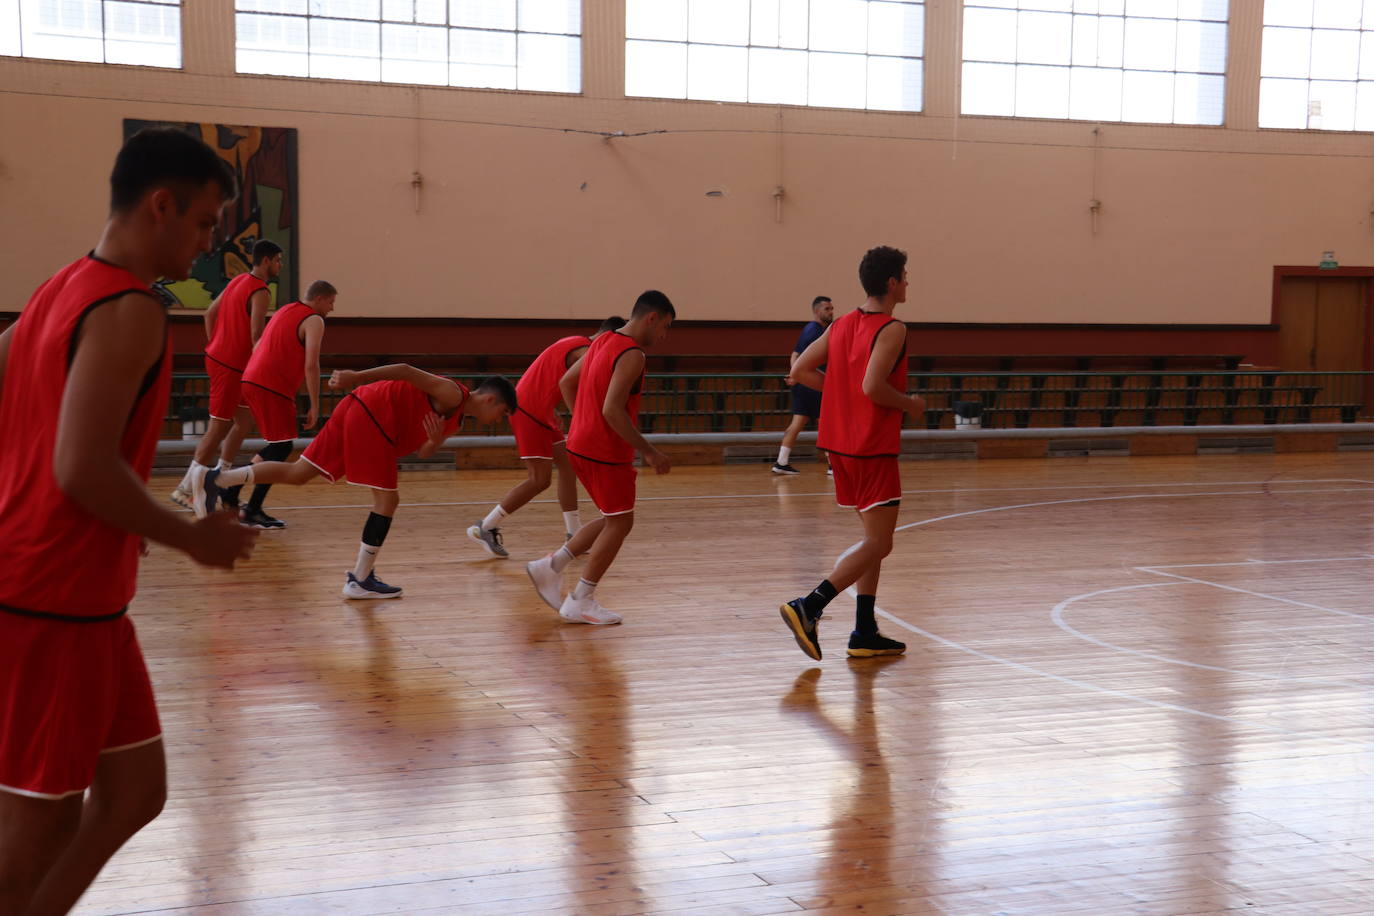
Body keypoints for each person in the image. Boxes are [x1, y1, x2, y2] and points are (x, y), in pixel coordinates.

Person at [0, 126, 258, 916]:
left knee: (136, 791)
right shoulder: (130, 309)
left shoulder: (59, 288)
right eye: (206, 222)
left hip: (86, 600)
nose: (209, 243)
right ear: (161, 206)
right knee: (38, 830)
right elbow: (81, 467)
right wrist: (193, 536)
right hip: (53, 601)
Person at [195, 366, 516, 599]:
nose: (499, 420)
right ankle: (360, 579)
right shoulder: (452, 393)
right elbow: (405, 371)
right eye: (502, 413)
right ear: (490, 400)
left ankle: (216, 479)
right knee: (387, 501)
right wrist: (355, 376)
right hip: (374, 413)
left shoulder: (456, 421)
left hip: (359, 407)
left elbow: (423, 452)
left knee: (299, 473)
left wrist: (433, 441)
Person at [778, 246, 922, 660]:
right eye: (905, 276)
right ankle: (809, 605)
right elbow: (873, 387)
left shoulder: (841, 324)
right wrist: (911, 404)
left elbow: (800, 370)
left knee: (872, 541)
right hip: (870, 446)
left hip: (838, 445)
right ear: (891, 283)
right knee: (880, 542)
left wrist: (841, 391)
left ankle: (864, 630)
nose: (908, 282)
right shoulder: (892, 328)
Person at [524, 292, 675, 625]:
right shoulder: (633, 354)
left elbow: (567, 382)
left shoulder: (603, 339)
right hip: (605, 450)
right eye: (665, 327)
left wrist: (582, 420)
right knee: (621, 523)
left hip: (579, 443)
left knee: (612, 518)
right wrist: (649, 450)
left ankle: (551, 566)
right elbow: (612, 410)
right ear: (652, 318)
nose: (663, 336)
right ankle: (581, 599)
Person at [467, 316, 624, 558]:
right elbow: (574, 385)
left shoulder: (575, 342)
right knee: (539, 480)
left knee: (568, 466)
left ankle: (573, 533)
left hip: (539, 409)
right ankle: (485, 527)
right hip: (529, 411)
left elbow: (550, 379)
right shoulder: (585, 351)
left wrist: (550, 406)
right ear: (609, 336)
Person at [212, 280, 336, 529]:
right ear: (320, 298)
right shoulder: (314, 320)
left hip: (251, 379)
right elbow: (311, 364)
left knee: (276, 446)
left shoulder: (285, 310)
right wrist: (315, 404)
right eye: (331, 302)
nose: (332, 308)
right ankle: (248, 505)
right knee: (282, 447)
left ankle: (231, 492)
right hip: (270, 385)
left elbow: (259, 343)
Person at [170, 238, 282, 511]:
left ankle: (220, 481)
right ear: (266, 260)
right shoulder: (260, 291)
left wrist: (217, 345)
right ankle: (185, 489)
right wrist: (263, 366)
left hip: (226, 362)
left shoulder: (238, 280)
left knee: (243, 421)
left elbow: (209, 314)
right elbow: (256, 336)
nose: (280, 265)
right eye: (278, 260)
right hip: (230, 367)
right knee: (218, 427)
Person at [773, 295, 834, 475]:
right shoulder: (814, 331)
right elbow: (797, 356)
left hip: (805, 385)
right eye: (827, 309)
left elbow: (795, 354)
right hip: (813, 385)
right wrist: (797, 374)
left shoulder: (813, 329)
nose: (831, 312)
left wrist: (795, 375)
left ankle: (781, 462)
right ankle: (833, 466)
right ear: (817, 311)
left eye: (831, 309)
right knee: (825, 424)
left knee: (799, 422)